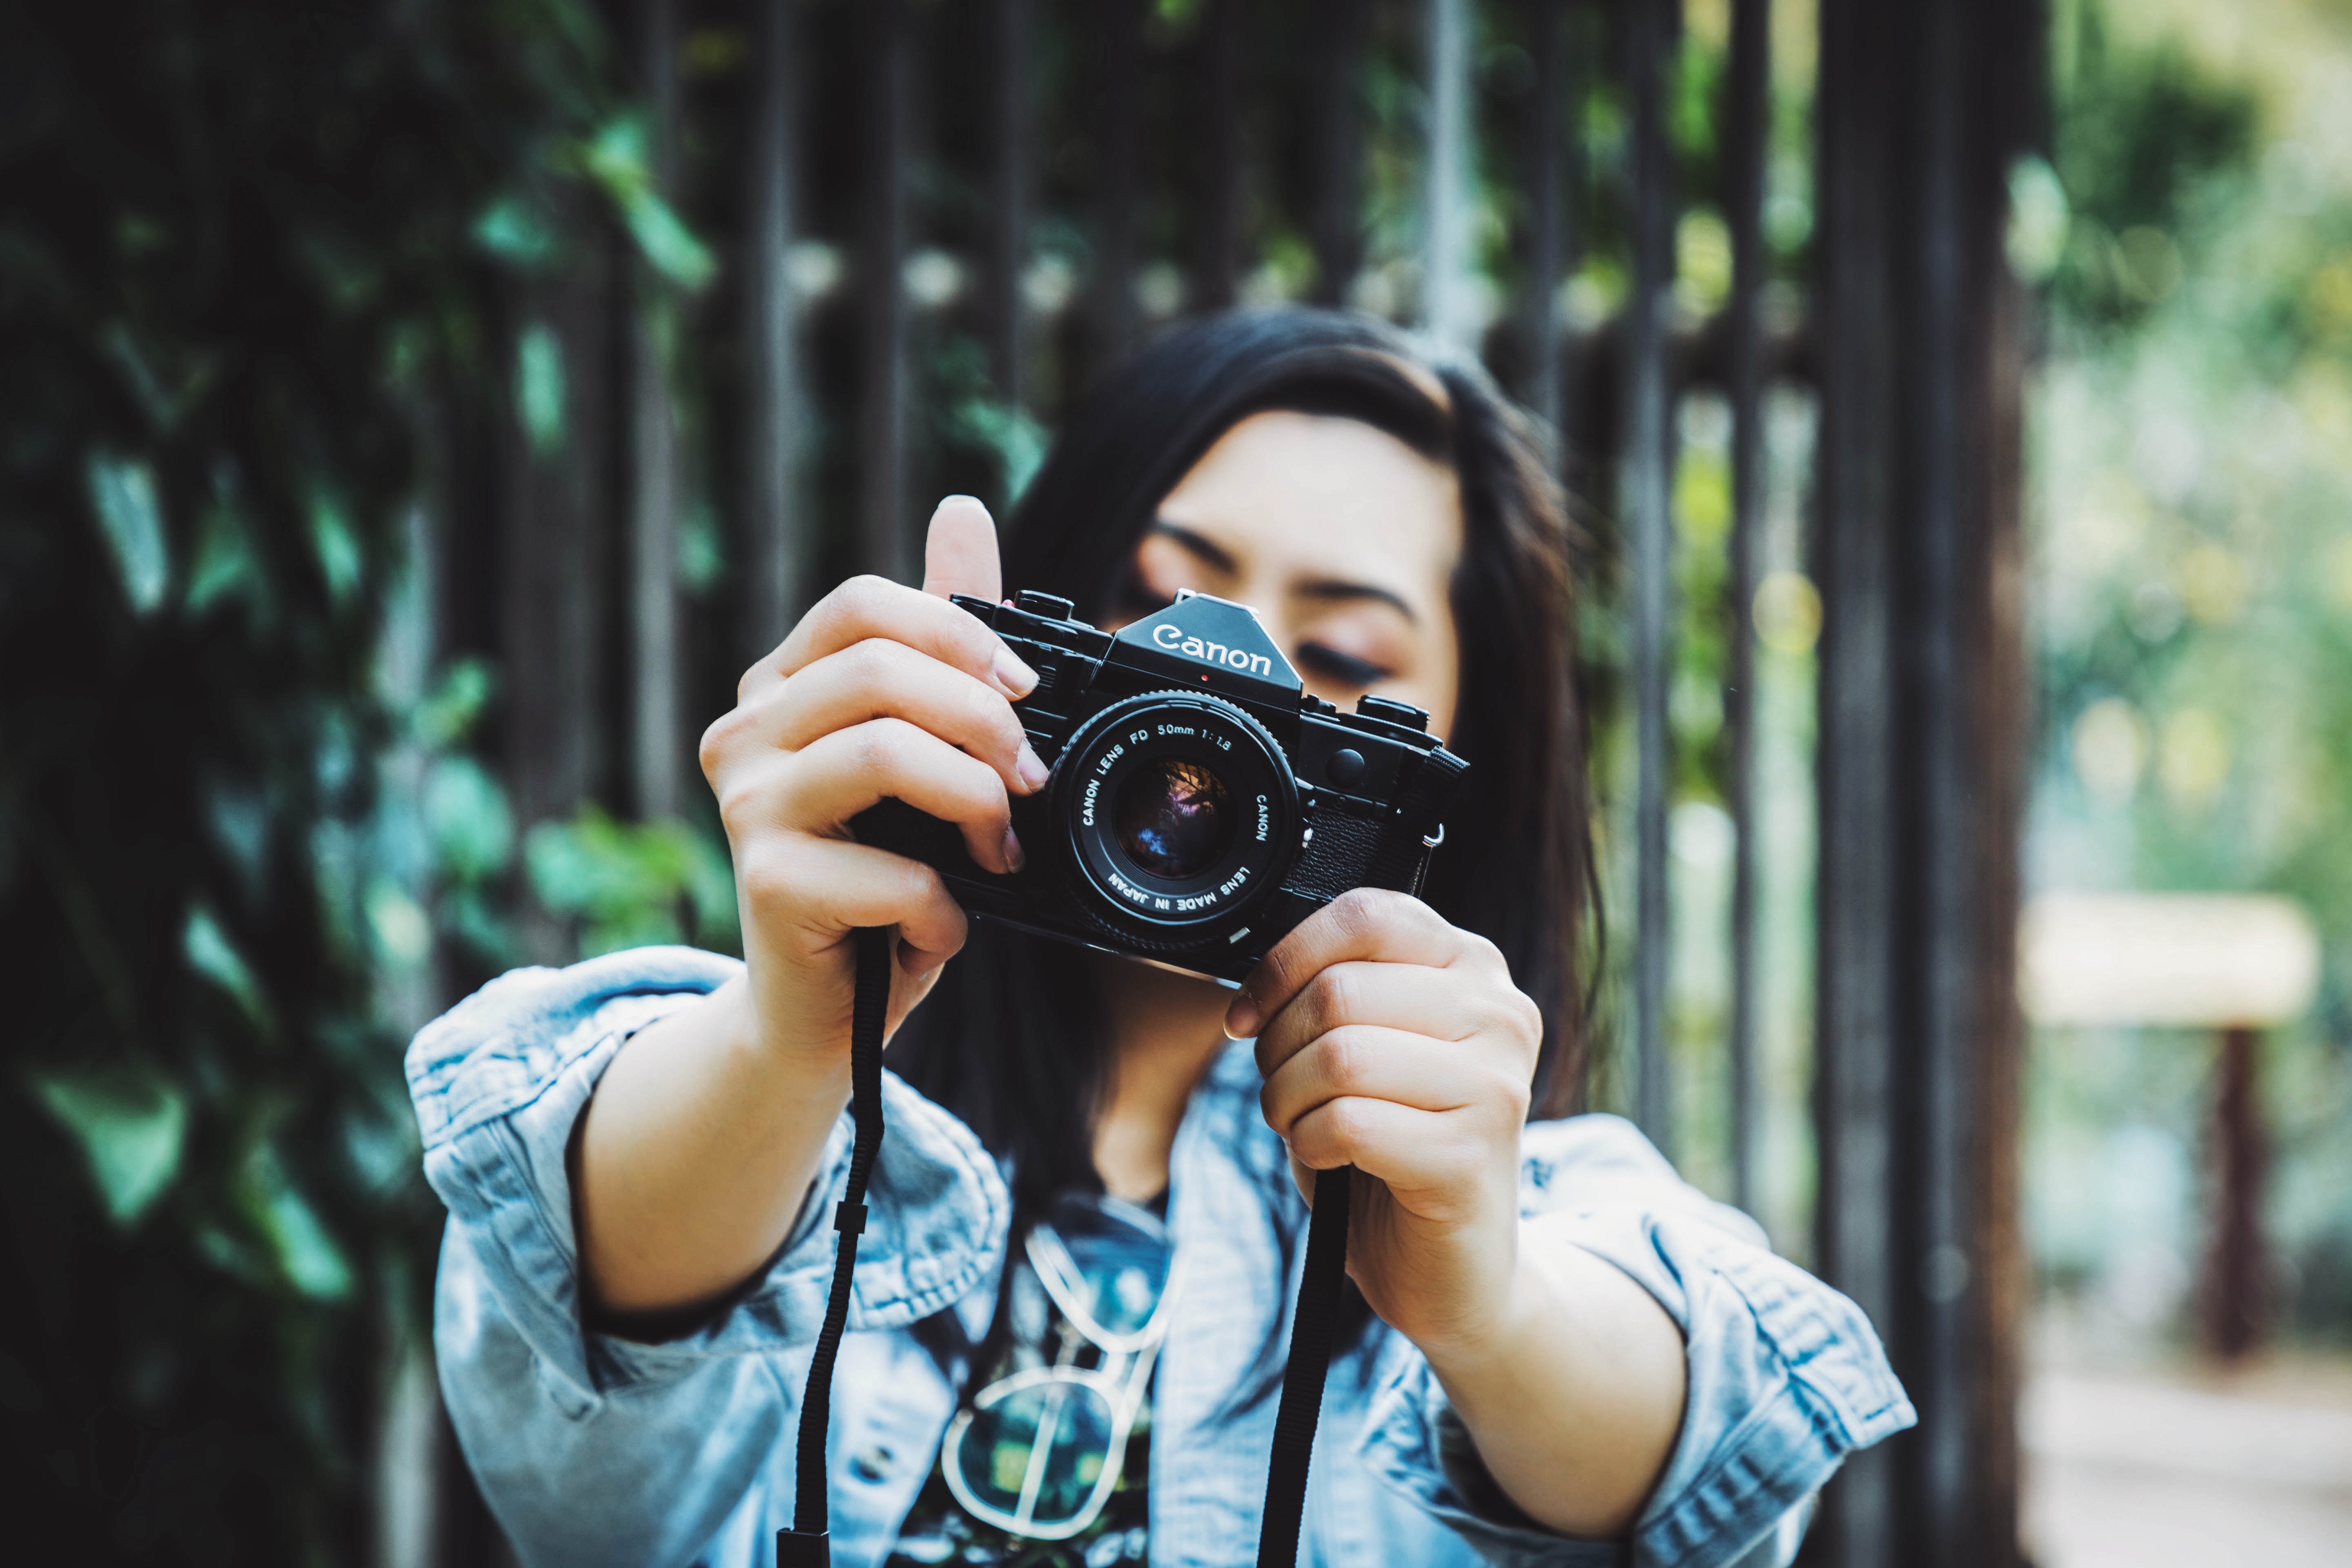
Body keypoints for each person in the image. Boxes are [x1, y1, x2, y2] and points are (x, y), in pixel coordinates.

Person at [408, 310, 1912, 1568]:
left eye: (1341, 661)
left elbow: (1697, 1416)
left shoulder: (1490, 1206)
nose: (1226, 704)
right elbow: (563, 1293)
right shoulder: (776, 1113)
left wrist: (1483, 1301)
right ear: (1009, 642)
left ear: (1459, 763)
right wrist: (792, 1038)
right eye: (1149, 605)